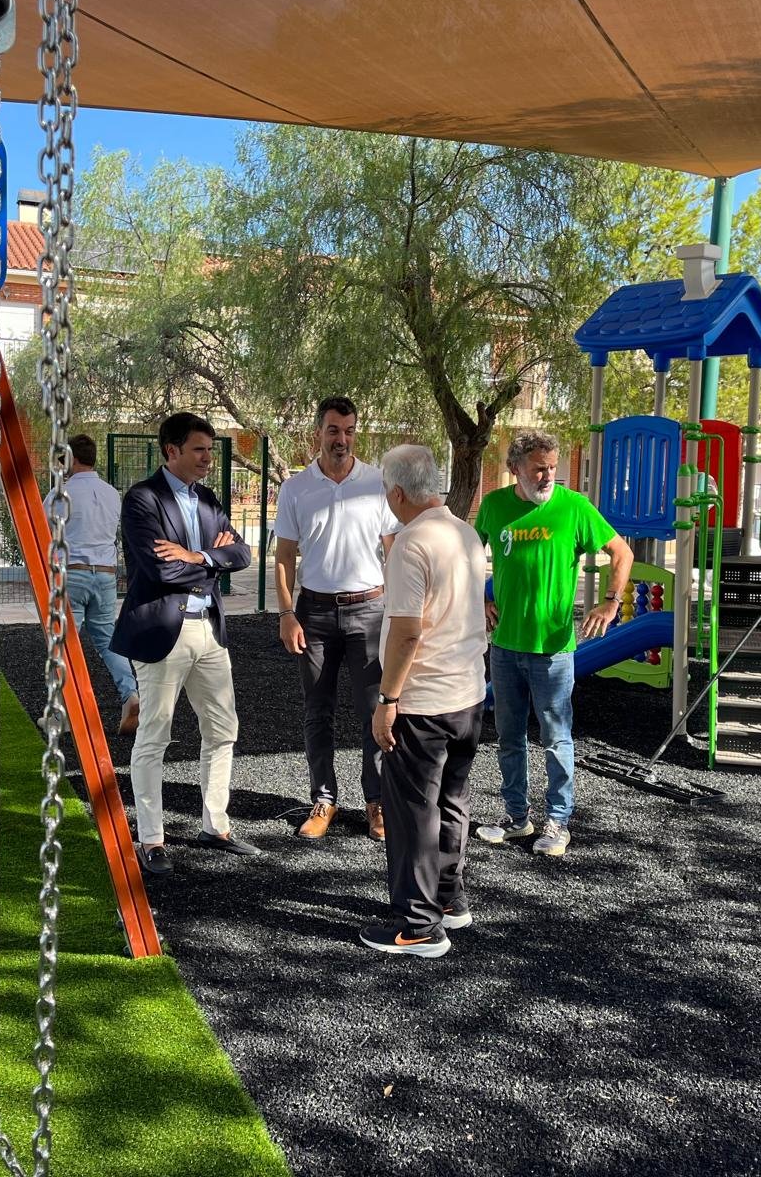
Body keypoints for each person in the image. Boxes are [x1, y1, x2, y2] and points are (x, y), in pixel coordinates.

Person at [472, 430, 634, 858]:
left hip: (553, 651)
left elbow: (622, 553)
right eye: (539, 469)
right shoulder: (493, 506)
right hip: (505, 647)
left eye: (552, 468)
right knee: (508, 737)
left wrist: (611, 601)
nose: (548, 476)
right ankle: (516, 818)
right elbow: (467, 557)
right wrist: (479, 599)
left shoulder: (574, 507)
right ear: (515, 469)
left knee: (556, 739)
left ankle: (558, 822)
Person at [111, 412, 258, 875]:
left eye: (210, 450)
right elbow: (160, 569)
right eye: (199, 449)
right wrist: (213, 561)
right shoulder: (142, 499)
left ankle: (216, 826)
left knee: (223, 729)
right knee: (155, 735)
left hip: (209, 631)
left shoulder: (208, 499)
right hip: (161, 633)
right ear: (171, 451)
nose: (208, 458)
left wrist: (197, 556)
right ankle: (151, 839)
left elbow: (242, 553)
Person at [359, 444, 488, 958]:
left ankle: (417, 925)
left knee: (413, 811)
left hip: (424, 702)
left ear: (396, 492)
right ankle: (449, 899)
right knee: (452, 801)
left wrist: (387, 698)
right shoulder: (465, 532)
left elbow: (407, 632)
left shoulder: (411, 543)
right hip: (467, 695)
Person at [274, 396, 401, 841]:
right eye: (333, 430)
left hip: (370, 611)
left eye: (348, 431)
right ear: (318, 433)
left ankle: (377, 801)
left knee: (375, 711)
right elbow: (285, 557)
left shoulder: (378, 483)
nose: (341, 439)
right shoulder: (295, 489)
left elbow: (393, 552)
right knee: (317, 711)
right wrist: (287, 613)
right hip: (315, 614)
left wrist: (399, 611)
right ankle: (324, 799)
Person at [44, 432, 139, 733]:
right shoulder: (112, 494)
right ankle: (130, 694)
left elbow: (44, 532)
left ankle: (60, 714)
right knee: (108, 640)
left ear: (70, 460)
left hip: (72, 573)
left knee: (62, 643)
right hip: (106, 574)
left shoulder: (60, 494)